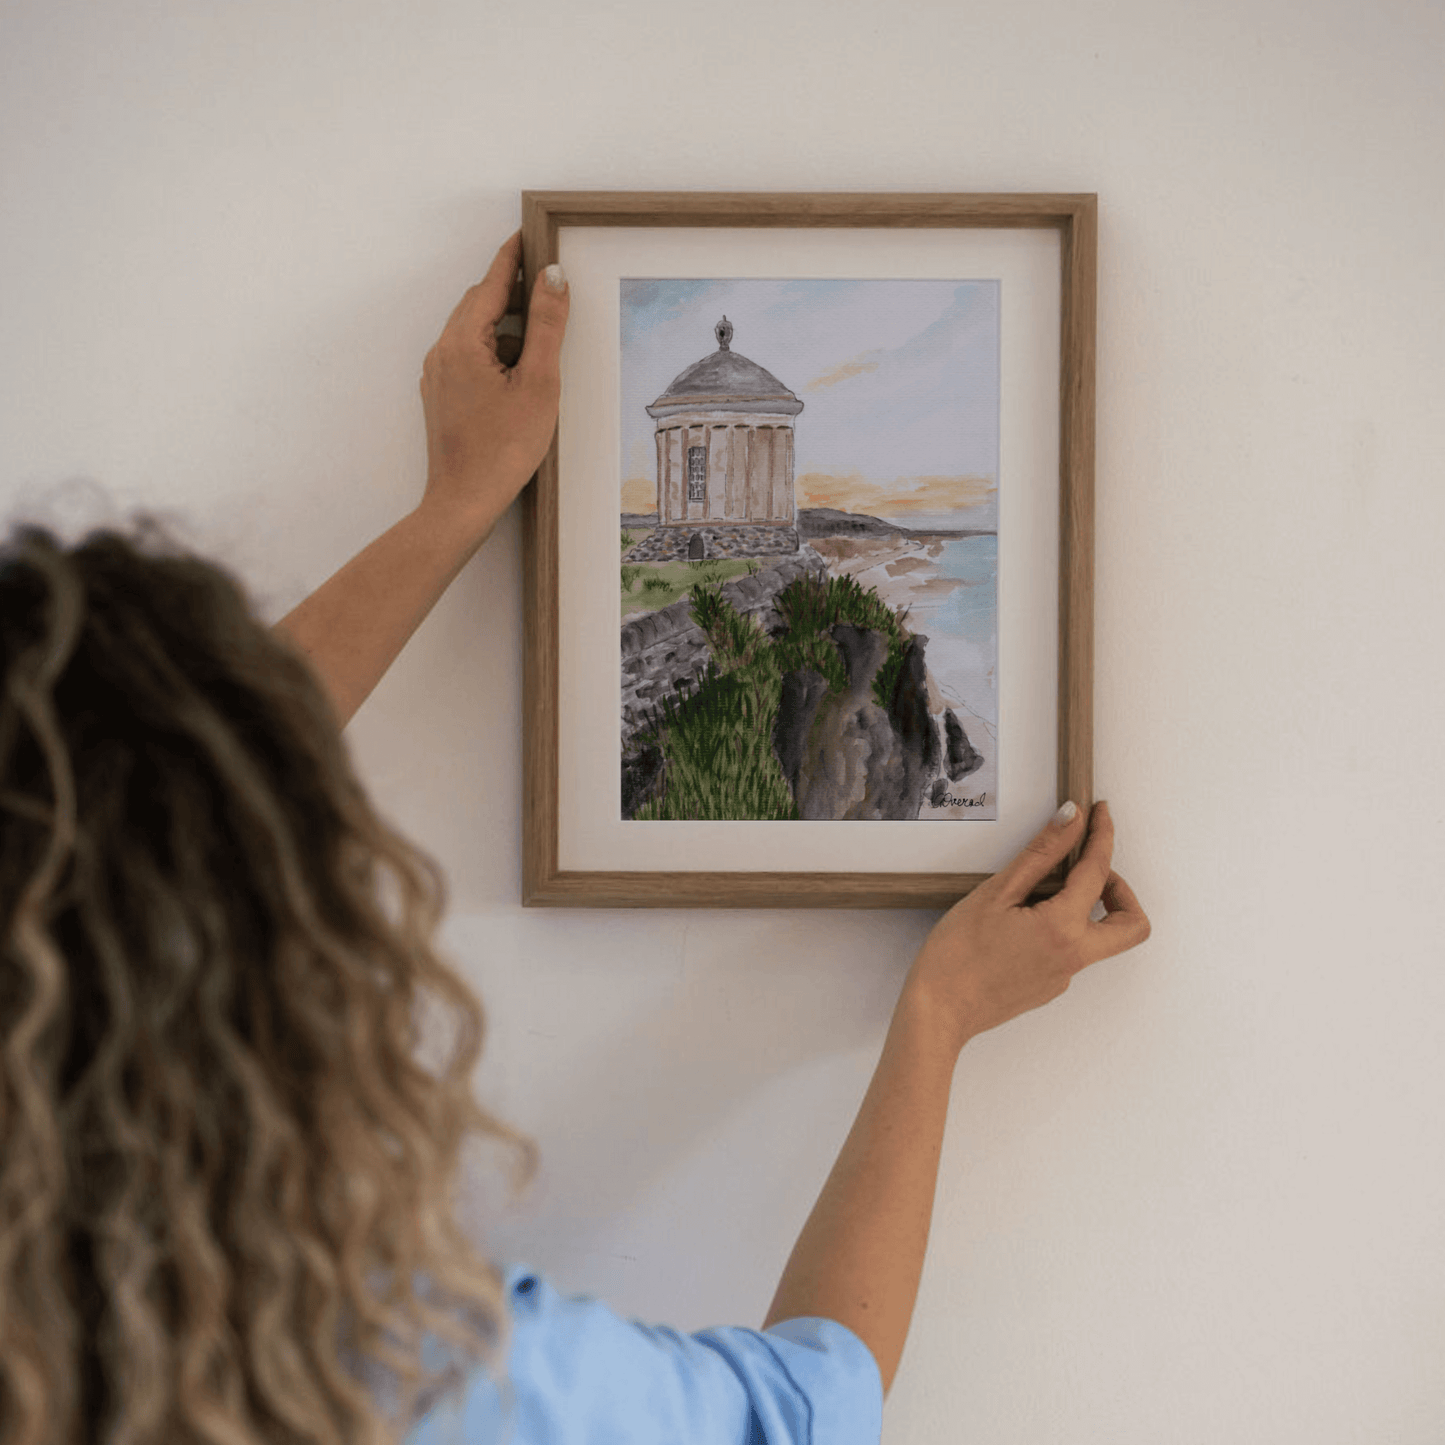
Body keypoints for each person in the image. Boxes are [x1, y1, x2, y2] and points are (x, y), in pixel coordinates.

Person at [0, 231, 1150, 1445]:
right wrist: (937, 1018)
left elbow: (152, 792)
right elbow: (805, 1406)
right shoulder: (411, 1374)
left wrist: (452, 508)